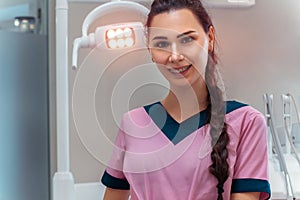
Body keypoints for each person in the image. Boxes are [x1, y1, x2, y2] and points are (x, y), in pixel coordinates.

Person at [101, 0, 271, 199]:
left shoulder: (246, 122)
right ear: (150, 50)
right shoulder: (132, 123)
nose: (175, 56)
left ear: (210, 37)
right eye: (162, 44)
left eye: (186, 40)